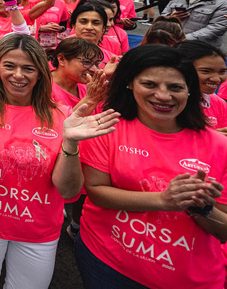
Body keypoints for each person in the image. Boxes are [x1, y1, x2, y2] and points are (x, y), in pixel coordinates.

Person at [0, 33, 119, 289]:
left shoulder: (63, 115)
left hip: (38, 229)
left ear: (41, 73)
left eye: (28, 68)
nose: (18, 75)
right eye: (9, 66)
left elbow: (69, 191)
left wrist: (71, 143)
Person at [76, 44, 227, 289]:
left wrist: (204, 209)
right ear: (129, 84)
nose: (163, 96)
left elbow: (224, 231)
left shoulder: (220, 147)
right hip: (107, 261)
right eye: (150, 85)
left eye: (175, 87)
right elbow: (95, 190)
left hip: (186, 278)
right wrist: (163, 200)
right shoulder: (107, 127)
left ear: (190, 91)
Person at [175, 40, 227, 132]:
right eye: (206, 71)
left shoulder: (218, 103)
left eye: (222, 72)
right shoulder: (165, 103)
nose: (216, 79)